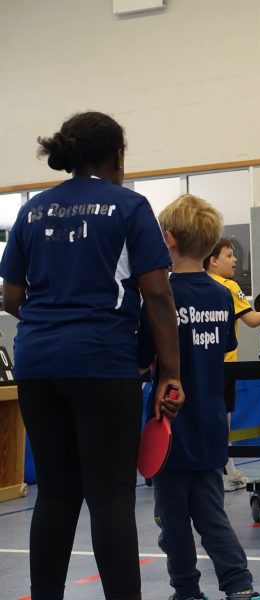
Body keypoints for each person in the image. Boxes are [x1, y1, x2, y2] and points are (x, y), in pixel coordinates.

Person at [0, 111, 183, 600]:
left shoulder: (32, 210)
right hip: (104, 363)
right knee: (110, 498)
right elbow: (159, 295)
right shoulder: (129, 206)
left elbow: (11, 296)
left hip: (37, 365)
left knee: (57, 494)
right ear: (117, 157)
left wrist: (50, 326)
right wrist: (170, 372)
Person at [142, 194, 260, 599]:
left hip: (170, 428)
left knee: (173, 521)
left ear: (169, 239)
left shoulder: (159, 296)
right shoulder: (222, 295)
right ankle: (239, 586)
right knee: (212, 516)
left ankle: (186, 592)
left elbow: (144, 360)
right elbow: (224, 343)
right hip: (212, 425)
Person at [204, 239, 260, 490]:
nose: (235, 260)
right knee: (224, 421)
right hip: (225, 365)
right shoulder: (229, 287)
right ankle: (223, 473)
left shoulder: (200, 283)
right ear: (213, 260)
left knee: (211, 420)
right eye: (229, 255)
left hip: (202, 364)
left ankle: (226, 471)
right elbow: (252, 320)